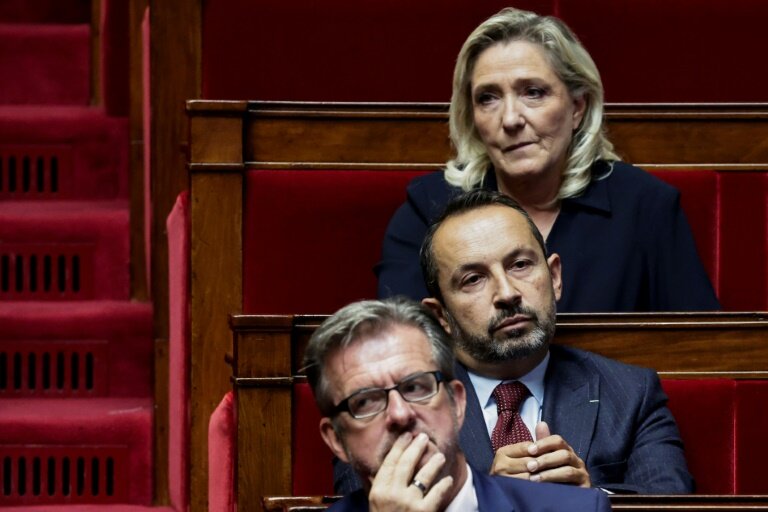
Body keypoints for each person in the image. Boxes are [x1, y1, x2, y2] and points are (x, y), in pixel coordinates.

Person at [376, 7, 719, 312]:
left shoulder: (645, 206)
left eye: (533, 92)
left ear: (577, 108)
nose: (510, 119)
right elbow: (400, 346)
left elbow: (698, 351)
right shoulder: (430, 207)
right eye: (488, 98)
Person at [416, 189, 692, 494]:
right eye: (473, 279)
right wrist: (482, 499)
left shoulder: (631, 394)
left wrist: (588, 501)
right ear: (440, 315)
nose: (507, 293)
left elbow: (671, 503)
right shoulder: (403, 410)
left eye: (520, 264)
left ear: (555, 277)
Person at [304, 298, 611, 511]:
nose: (400, 414)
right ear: (336, 439)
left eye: (415, 387)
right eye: (366, 401)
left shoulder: (578, 509)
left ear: (458, 402)